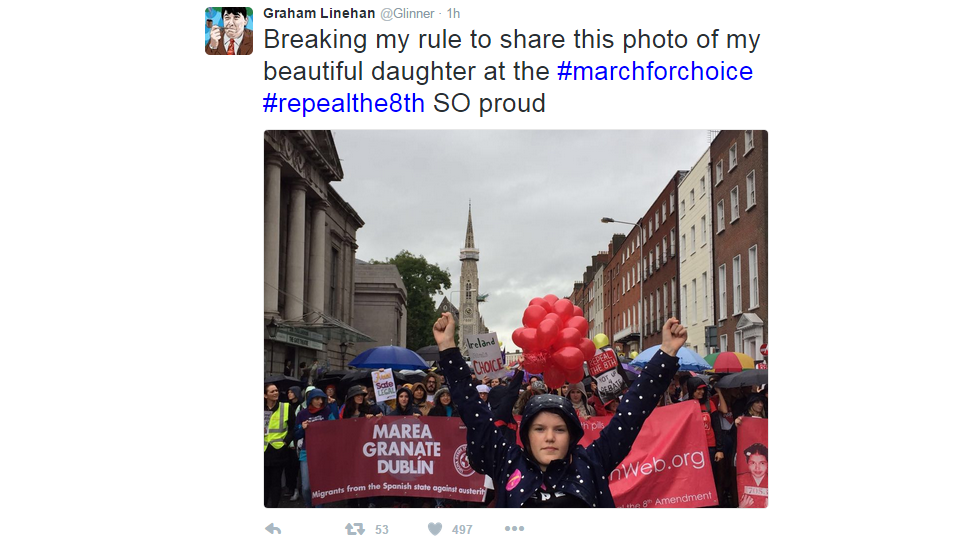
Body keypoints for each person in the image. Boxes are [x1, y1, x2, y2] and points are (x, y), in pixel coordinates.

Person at [432, 311, 684, 507]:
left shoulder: (591, 462)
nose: (550, 437)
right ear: (527, 434)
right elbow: (472, 408)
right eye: (540, 429)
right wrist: (448, 349)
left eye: (560, 429)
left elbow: (632, 411)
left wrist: (667, 353)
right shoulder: (507, 462)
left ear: (572, 434)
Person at [294, 388, 334, 508]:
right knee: (306, 486)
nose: (320, 401)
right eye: (317, 399)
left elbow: (335, 426)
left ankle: (319, 507)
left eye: (322, 399)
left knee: (319, 484)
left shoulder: (326, 411)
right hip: (307, 452)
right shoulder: (302, 414)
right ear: (310, 400)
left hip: (323, 453)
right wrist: (302, 428)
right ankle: (308, 504)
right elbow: (296, 434)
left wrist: (333, 406)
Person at [264, 383, 294, 508]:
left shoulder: (286, 407)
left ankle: (274, 507)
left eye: (276, 390)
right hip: (264, 450)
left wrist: (285, 442)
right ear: (265, 395)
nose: (275, 393)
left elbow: (293, 428)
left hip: (279, 451)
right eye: (272, 391)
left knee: (276, 482)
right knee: (264, 482)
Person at [284, 386, 303, 500]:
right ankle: (289, 487)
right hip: (287, 438)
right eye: (288, 392)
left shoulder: (300, 406)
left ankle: (295, 488)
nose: (289, 394)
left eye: (291, 392)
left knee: (295, 466)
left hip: (296, 440)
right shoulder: (286, 405)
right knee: (288, 466)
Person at [737, 443, 768, 508]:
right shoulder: (739, 479)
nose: (757, 468)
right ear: (747, 463)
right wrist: (741, 508)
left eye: (762, 463)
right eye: (753, 463)